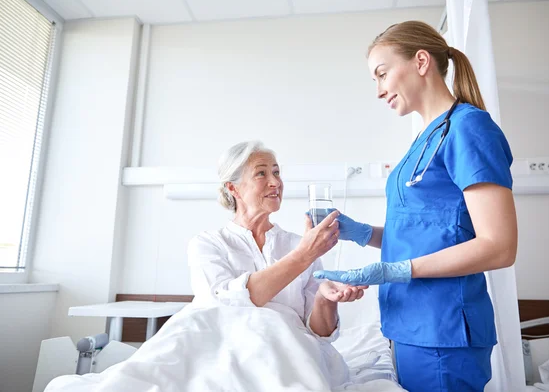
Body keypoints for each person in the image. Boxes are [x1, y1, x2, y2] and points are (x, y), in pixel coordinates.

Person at [314, 21, 518, 392]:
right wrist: (360, 233)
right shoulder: (425, 138)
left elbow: (499, 246)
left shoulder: (469, 129)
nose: (378, 91)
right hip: (408, 323)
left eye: (382, 74)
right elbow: (427, 234)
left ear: (421, 61)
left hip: (443, 328)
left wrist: (395, 270)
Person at [187, 140, 367, 388]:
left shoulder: (299, 244)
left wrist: (326, 299)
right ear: (234, 188)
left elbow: (320, 332)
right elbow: (223, 305)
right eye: (261, 173)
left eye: (277, 172)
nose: (275, 182)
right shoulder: (208, 244)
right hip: (229, 351)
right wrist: (303, 255)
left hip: (290, 354)